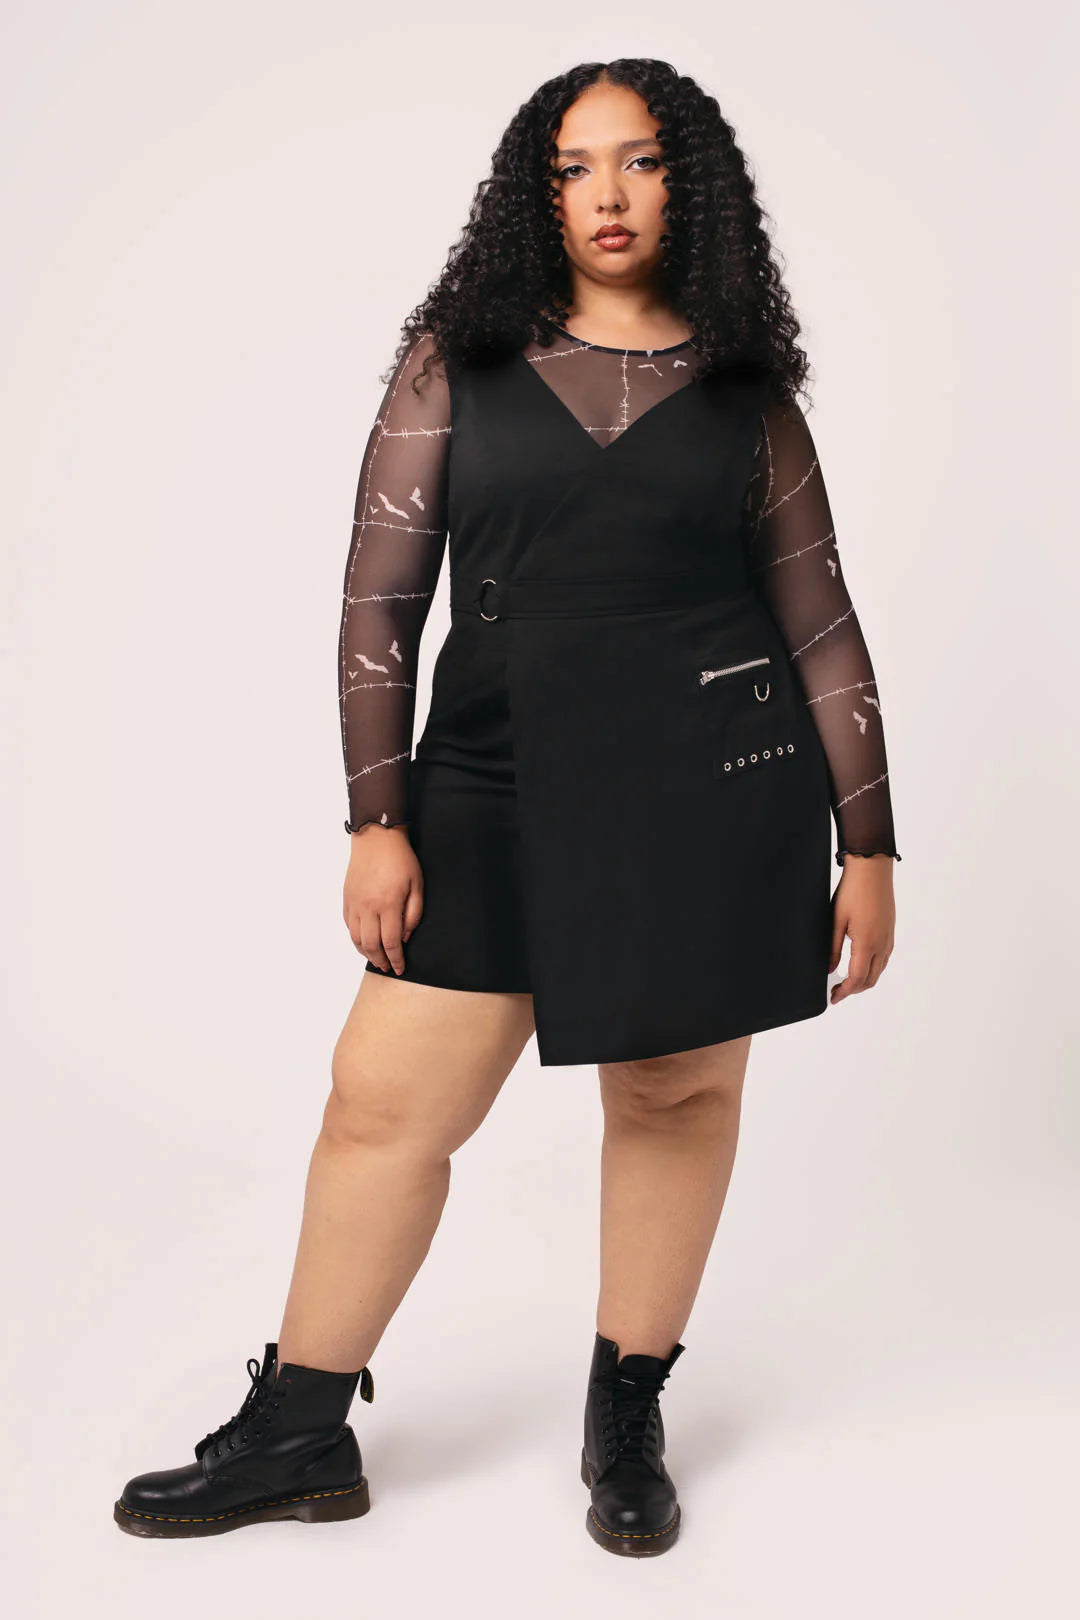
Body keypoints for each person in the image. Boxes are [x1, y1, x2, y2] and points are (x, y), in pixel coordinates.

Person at [114, 57, 900, 1557]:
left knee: (673, 1097)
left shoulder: (749, 394)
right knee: (381, 1103)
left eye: (640, 161)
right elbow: (378, 608)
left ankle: (627, 1413)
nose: (606, 195)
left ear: (689, 184)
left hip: (706, 793)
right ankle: (299, 1429)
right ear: (535, 198)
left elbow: (822, 627)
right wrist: (378, 816)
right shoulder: (457, 361)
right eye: (571, 168)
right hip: (490, 779)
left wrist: (869, 842)